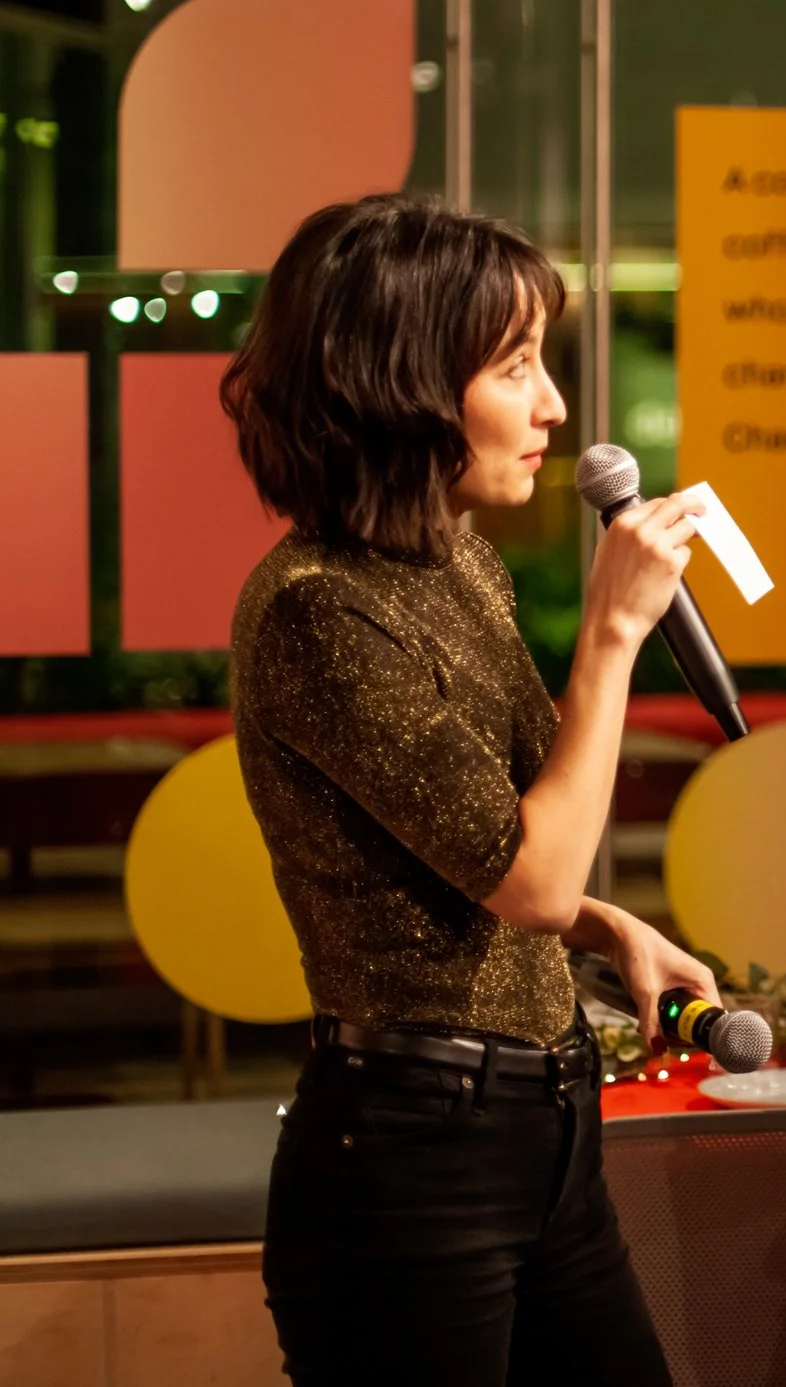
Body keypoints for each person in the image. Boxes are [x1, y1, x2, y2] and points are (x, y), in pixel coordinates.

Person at [224, 194, 717, 1387]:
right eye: (514, 365)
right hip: (410, 1157)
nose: (554, 406)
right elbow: (531, 880)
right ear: (396, 384)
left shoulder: (457, 564)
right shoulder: (319, 608)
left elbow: (485, 848)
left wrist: (605, 925)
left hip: (547, 1128)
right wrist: (612, 634)